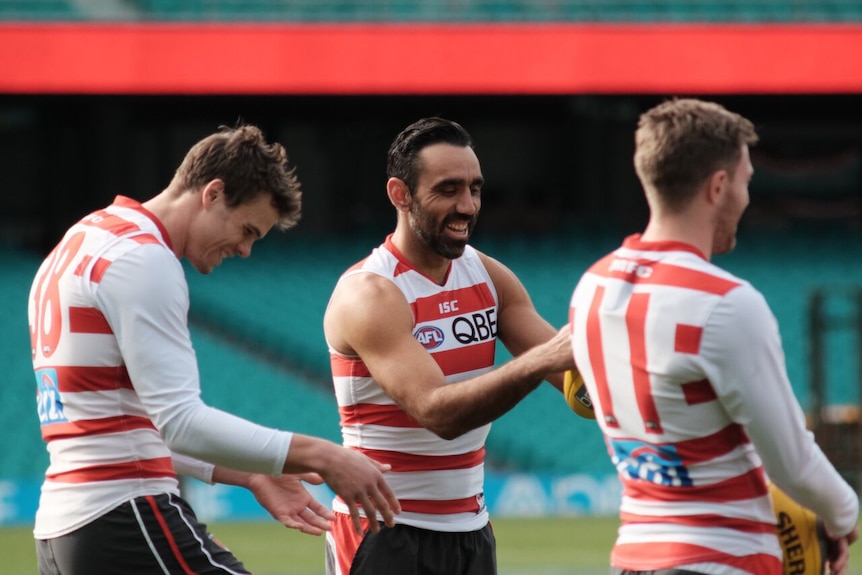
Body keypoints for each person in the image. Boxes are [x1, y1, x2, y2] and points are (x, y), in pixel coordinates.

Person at [27, 124, 400, 575]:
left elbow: (125, 423)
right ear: (213, 193)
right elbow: (180, 422)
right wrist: (326, 455)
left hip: (64, 530)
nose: (244, 250)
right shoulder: (144, 258)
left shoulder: (83, 240)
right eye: (247, 229)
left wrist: (251, 474)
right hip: (123, 512)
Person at [567, 98, 859, 575]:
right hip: (721, 558)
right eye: (745, 181)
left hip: (633, 556)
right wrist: (843, 513)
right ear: (718, 186)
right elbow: (792, 461)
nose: (746, 197)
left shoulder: (592, 286)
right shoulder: (724, 303)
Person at [322, 116, 576, 575]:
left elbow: (576, 381)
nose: (468, 205)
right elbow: (439, 414)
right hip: (384, 535)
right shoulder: (371, 293)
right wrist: (541, 360)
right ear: (400, 194)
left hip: (471, 533)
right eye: (448, 190)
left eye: (475, 189)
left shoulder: (488, 275)